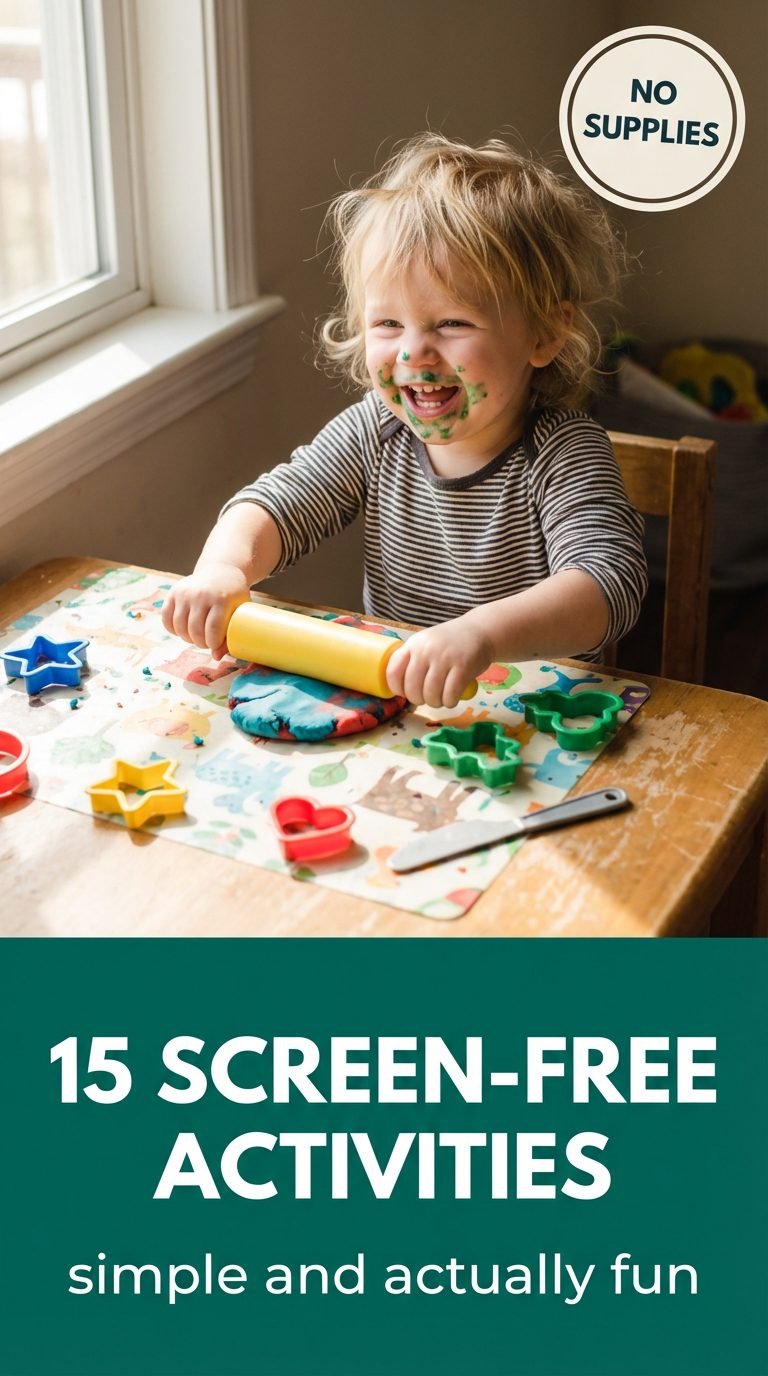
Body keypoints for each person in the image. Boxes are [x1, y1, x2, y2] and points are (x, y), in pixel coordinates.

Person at [162, 133, 647, 709]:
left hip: (534, 716)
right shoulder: (375, 431)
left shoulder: (563, 452)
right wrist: (222, 569)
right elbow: (275, 505)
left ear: (544, 333)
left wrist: (481, 635)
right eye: (388, 324)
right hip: (399, 707)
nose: (414, 352)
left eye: (452, 323)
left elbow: (608, 583)